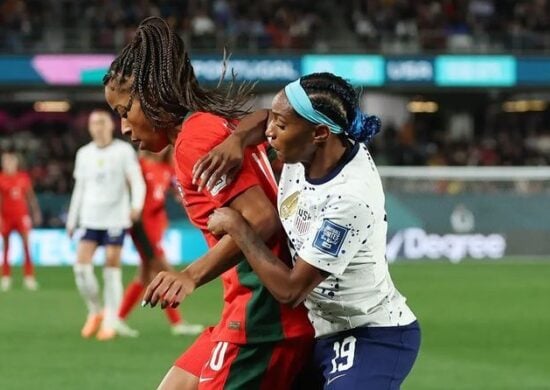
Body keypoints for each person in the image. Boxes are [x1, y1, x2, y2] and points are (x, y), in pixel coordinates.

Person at [104, 16, 313, 390]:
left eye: (124, 112)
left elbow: (262, 221)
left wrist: (190, 275)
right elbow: (268, 116)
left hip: (261, 321)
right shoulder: (208, 125)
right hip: (245, 311)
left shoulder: (193, 141)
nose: (123, 128)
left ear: (152, 95)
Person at [197, 72, 421, 389]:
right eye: (273, 121)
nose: (269, 133)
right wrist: (236, 140)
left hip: (370, 333)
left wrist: (238, 226)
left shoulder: (349, 198)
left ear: (318, 133)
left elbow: (291, 290)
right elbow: (263, 120)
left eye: (281, 126)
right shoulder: (312, 148)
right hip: (317, 330)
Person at [66, 109, 146, 341]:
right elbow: (79, 188)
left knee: (112, 266)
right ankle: (95, 311)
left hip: (115, 218)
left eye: (101, 122)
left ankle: (111, 319)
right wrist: (72, 219)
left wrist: (136, 205)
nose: (97, 127)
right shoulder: (84, 154)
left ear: (110, 125)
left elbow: (137, 181)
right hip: (90, 217)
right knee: (81, 268)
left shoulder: (123, 151)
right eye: (93, 123)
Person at [117, 148, 204, 337]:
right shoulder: (138, 165)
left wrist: (181, 195)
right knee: (165, 271)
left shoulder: (166, 166)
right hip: (142, 225)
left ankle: (118, 318)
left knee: (145, 275)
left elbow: (178, 185)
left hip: (156, 224)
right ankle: (177, 322)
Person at [0, 151, 42, 291]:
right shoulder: (1, 179)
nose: (9, 165)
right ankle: (6, 277)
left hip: (21, 216)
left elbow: (30, 197)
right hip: (6, 217)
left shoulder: (23, 178)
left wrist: (35, 213)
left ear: (16, 163)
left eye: (11, 162)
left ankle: (29, 277)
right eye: (6, 162)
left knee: (26, 247)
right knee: (6, 247)